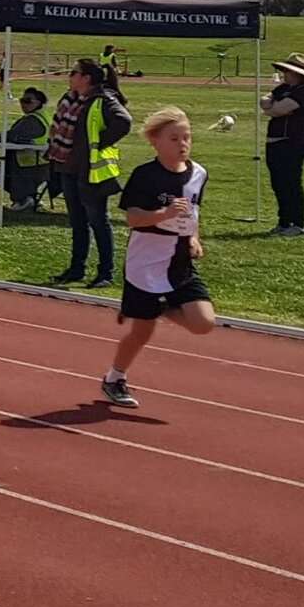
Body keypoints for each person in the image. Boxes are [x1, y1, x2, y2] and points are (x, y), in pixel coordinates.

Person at [99, 105, 218, 408]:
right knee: (141, 332)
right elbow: (133, 219)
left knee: (204, 322)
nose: (182, 144)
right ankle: (114, 378)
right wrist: (163, 214)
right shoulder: (145, 176)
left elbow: (193, 211)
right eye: (174, 139)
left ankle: (162, 307)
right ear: (155, 141)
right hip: (146, 264)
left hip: (179, 261)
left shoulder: (199, 173)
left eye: (186, 137)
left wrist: (194, 237)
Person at [45, 58, 131, 287]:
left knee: (98, 221)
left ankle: (105, 273)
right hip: (67, 167)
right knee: (77, 222)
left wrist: (99, 142)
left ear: (86, 78)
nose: (69, 76)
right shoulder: (70, 99)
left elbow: (124, 122)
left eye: (74, 72)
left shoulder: (103, 99)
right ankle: (76, 269)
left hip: (90, 170)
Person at [261, 52, 304, 237]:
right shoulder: (283, 88)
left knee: (291, 183)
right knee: (278, 184)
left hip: (293, 142)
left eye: (287, 71)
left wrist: (272, 107)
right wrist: (272, 107)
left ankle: (299, 223)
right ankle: (284, 221)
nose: (284, 74)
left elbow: (277, 109)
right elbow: (264, 101)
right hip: (274, 142)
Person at [1, 87, 51, 210]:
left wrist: (2, 136)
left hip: (31, 164)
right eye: (22, 100)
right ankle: (30, 197)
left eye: (28, 101)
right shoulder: (42, 115)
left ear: (38, 102)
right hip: (41, 162)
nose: (23, 104)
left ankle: (24, 198)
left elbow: (13, 135)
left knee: (1, 173)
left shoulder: (32, 119)